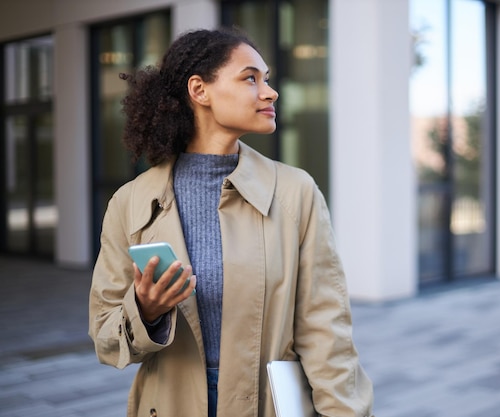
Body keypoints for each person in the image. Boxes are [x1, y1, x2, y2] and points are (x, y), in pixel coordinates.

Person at [88, 27, 374, 417]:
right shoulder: (131, 203)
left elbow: (326, 331)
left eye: (267, 79)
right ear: (199, 90)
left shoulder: (295, 193)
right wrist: (145, 310)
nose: (270, 92)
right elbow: (105, 337)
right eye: (250, 78)